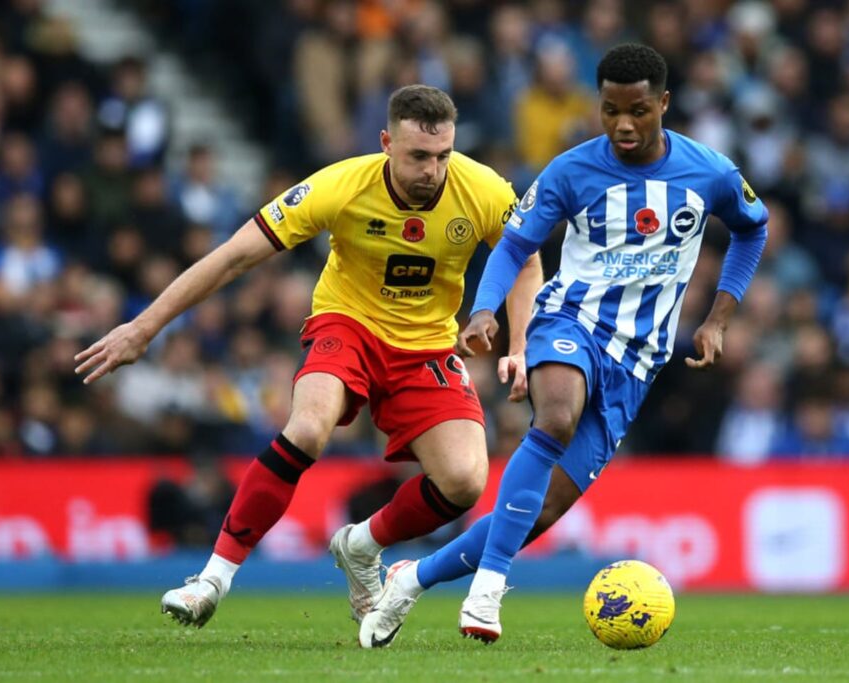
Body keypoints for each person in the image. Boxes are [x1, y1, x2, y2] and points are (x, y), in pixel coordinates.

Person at [74, 85, 543, 628]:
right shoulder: (340, 186)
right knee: (310, 426)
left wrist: (519, 343)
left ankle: (362, 545)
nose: (432, 171)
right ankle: (211, 580)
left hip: (427, 345)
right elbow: (233, 258)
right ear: (387, 143)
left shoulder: (483, 189)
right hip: (348, 325)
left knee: (465, 482)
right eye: (418, 156)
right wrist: (143, 327)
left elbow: (525, 261)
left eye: (442, 156)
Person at [358, 44, 769, 647]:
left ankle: (412, 579)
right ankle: (489, 589)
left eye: (637, 111)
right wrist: (484, 310)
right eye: (609, 111)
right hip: (568, 321)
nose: (623, 125)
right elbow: (514, 246)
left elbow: (753, 230)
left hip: (638, 362)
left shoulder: (710, 172)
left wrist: (717, 319)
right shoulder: (571, 171)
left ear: (663, 104)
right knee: (554, 416)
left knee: (538, 513)